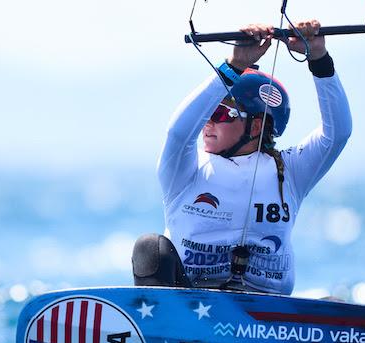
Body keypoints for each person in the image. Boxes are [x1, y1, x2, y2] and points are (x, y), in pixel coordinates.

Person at [132, 20, 352, 295]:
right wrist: (233, 66)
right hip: (191, 306)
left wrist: (319, 58)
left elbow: (338, 133)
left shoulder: (290, 171)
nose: (208, 124)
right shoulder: (186, 169)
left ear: (257, 127)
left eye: (222, 114)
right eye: (208, 114)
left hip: (267, 311)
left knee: (334, 298)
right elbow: (178, 132)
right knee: (149, 247)